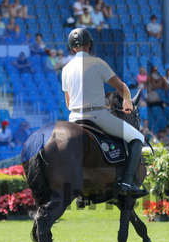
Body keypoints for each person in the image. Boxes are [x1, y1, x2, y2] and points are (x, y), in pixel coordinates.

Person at [62, 28, 146, 197]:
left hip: (74, 119)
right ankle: (126, 182)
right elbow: (122, 87)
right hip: (97, 116)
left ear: (72, 48)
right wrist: (127, 101)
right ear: (89, 45)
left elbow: (69, 103)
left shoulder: (66, 69)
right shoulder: (98, 63)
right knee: (138, 137)